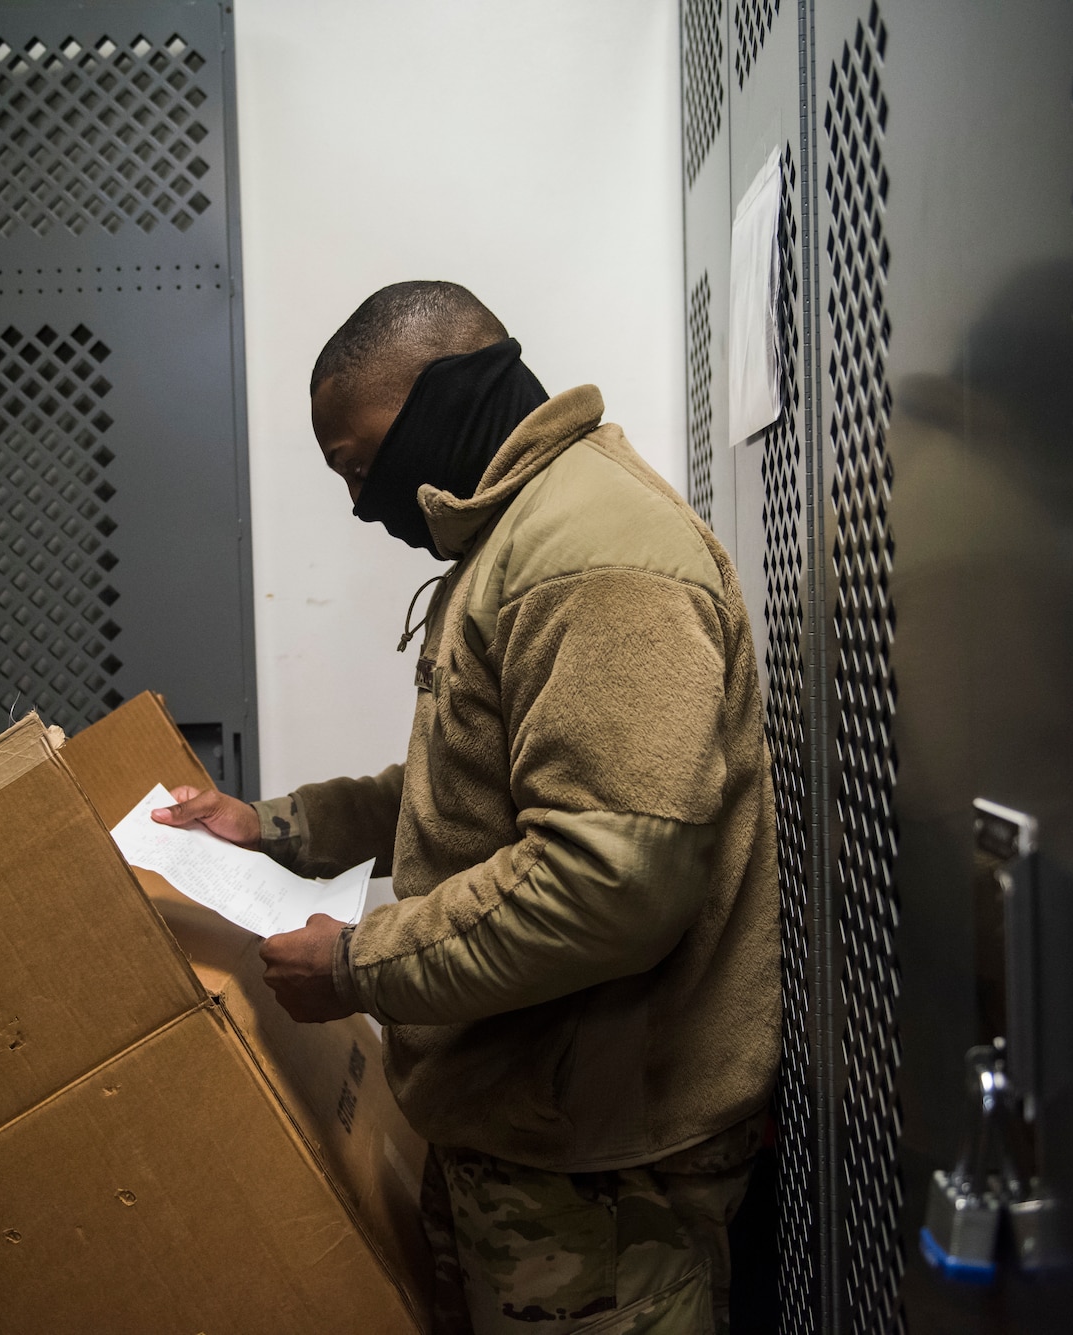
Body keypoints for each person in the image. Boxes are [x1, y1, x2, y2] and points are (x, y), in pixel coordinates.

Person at [154, 281, 779, 1335]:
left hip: (602, 1176)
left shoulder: (588, 558)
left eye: (359, 465)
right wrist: (273, 828)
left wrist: (358, 965)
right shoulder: (522, 538)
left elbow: (602, 883)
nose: (361, 504)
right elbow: (470, 796)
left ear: (441, 399)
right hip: (543, 1134)